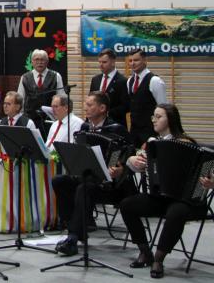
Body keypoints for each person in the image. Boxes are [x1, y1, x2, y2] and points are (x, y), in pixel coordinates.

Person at [119, 104, 213, 278]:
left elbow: (205, 170)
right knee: (127, 205)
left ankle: (159, 259)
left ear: (170, 120)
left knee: (176, 212)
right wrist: (132, 160)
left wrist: (207, 181)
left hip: (188, 201)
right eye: (153, 116)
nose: (153, 120)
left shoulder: (187, 143)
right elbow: (135, 165)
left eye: (158, 116)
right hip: (160, 197)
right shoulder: (152, 144)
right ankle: (145, 251)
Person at [52, 92, 135, 256]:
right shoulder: (85, 128)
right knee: (59, 181)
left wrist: (121, 168)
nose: (85, 108)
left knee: (83, 188)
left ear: (102, 108)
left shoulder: (116, 129)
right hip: (88, 178)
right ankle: (74, 226)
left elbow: (131, 154)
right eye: (86, 104)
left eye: (90, 105)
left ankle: (73, 237)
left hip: (111, 184)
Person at [17, 49, 66, 134]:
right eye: (37, 59)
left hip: (50, 120)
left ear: (47, 62)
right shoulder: (24, 77)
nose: (39, 62)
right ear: (32, 62)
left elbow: (62, 98)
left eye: (42, 60)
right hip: (29, 120)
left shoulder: (56, 76)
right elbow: (20, 99)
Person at [126, 48, 167, 147]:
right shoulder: (129, 81)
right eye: (130, 61)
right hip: (134, 132)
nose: (132, 63)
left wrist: (160, 134)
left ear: (145, 60)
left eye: (136, 60)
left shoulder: (155, 81)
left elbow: (164, 109)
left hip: (151, 131)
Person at [89, 48, 129, 126]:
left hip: (115, 124)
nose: (101, 65)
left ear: (113, 62)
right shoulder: (95, 79)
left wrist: (106, 112)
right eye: (99, 62)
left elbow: (126, 106)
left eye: (104, 62)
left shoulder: (122, 81)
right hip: (96, 124)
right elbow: (90, 100)